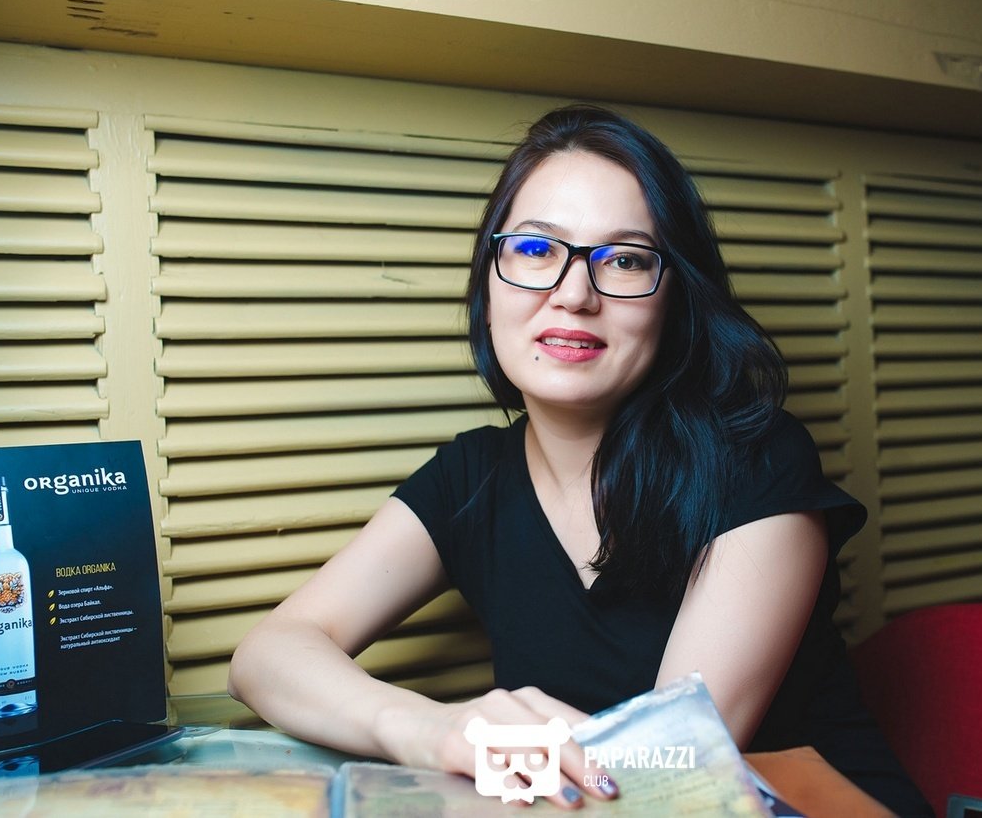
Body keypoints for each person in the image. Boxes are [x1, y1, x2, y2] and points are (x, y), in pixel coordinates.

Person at [228, 104, 931, 815]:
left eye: (625, 259)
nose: (573, 295)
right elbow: (267, 656)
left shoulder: (756, 460)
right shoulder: (472, 477)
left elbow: (670, 777)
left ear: (674, 301)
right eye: (536, 249)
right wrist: (427, 728)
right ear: (488, 284)